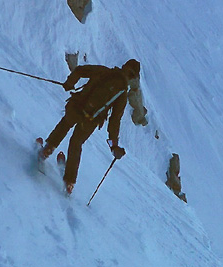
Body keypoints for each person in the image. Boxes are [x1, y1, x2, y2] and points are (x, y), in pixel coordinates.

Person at [40, 59, 148, 194]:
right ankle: (70, 182)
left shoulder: (104, 72)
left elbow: (80, 70)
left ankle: (47, 149)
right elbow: (114, 121)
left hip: (77, 107)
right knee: (76, 143)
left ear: (123, 66)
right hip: (91, 120)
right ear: (133, 77)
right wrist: (113, 145)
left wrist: (69, 83)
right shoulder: (122, 95)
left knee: (64, 125)